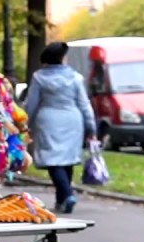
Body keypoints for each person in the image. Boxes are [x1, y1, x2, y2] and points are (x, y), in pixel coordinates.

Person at [26, 41, 95, 214]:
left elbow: (31, 104)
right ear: (62, 58)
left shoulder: (39, 77)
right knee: (67, 160)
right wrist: (91, 127)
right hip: (72, 120)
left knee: (53, 161)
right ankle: (62, 199)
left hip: (48, 121)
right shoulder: (76, 78)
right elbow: (84, 104)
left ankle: (67, 194)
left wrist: (25, 123)